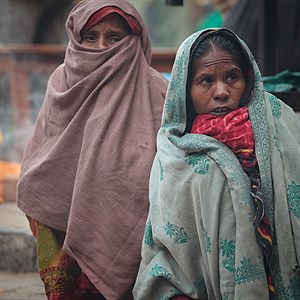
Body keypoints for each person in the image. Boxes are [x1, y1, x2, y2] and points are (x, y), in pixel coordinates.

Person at [17, 0, 168, 299]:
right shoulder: (62, 80)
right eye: (91, 37)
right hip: (65, 228)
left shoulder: (156, 90)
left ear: (134, 40)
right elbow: (44, 154)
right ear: (76, 39)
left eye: (114, 37)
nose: (102, 46)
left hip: (135, 231)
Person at [133, 28, 300, 299]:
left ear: (248, 79)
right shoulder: (174, 151)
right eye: (206, 80)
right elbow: (167, 251)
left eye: (231, 77)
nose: (221, 91)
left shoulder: (278, 120)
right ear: (185, 90)